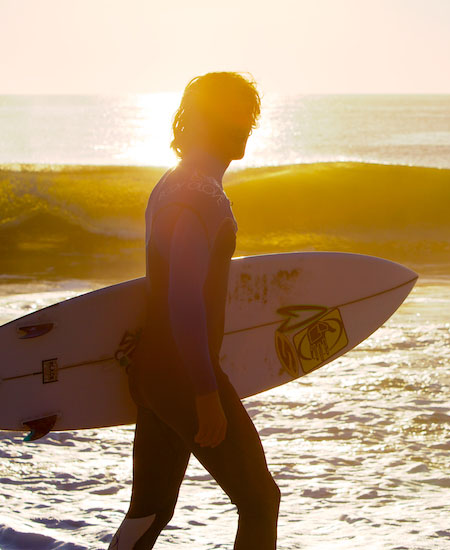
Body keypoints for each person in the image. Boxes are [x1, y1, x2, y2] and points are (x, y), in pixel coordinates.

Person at [110, 72, 279, 550]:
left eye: (249, 117)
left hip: (159, 371)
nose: (245, 127)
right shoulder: (196, 199)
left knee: (150, 511)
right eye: (235, 116)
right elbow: (182, 302)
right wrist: (206, 392)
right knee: (260, 500)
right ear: (209, 121)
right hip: (183, 374)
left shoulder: (178, 184)